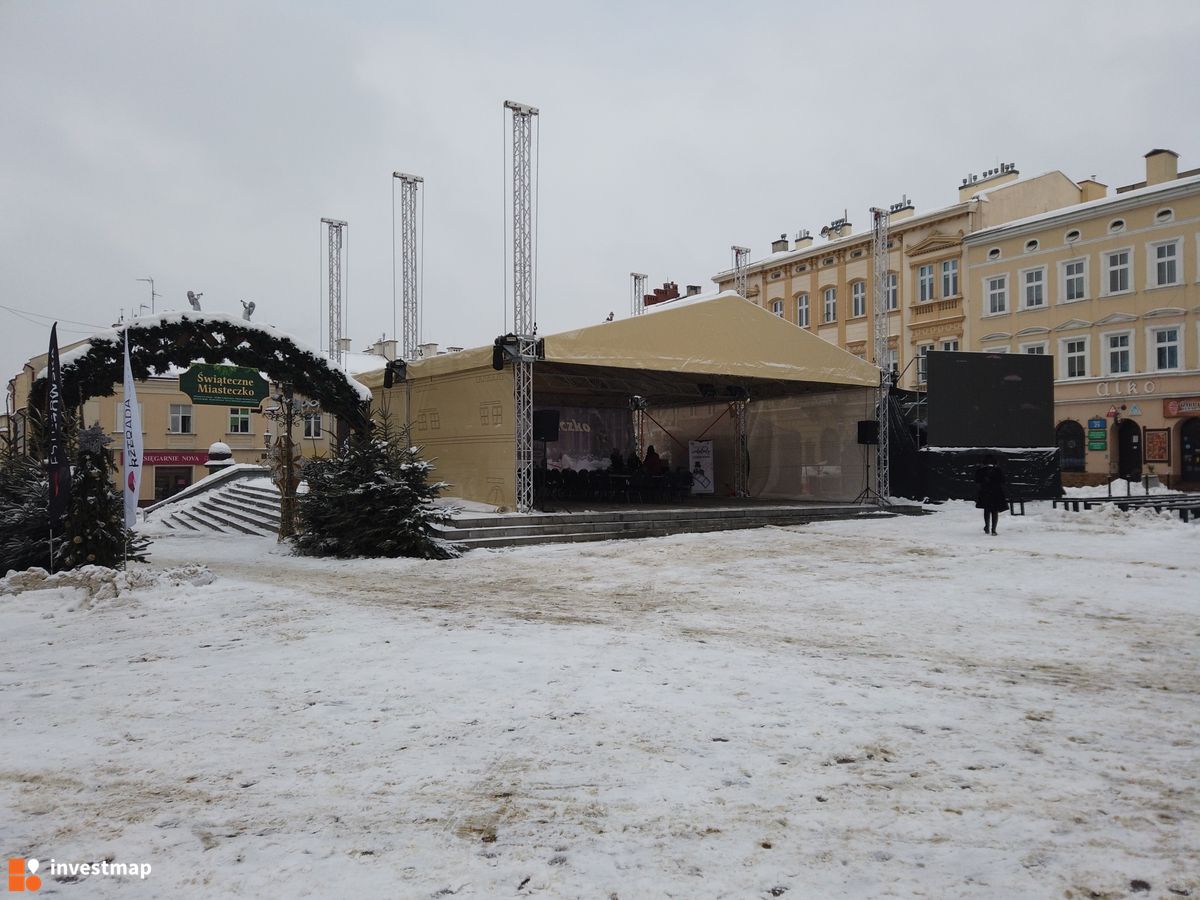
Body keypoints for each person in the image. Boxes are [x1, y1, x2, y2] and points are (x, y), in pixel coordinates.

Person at [974, 454, 1007, 535]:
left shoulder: (981, 471)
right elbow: (1003, 481)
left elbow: (977, 481)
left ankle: (987, 527)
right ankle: (993, 530)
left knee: (987, 510)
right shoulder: (998, 470)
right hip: (996, 492)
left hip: (985, 492)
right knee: (995, 511)